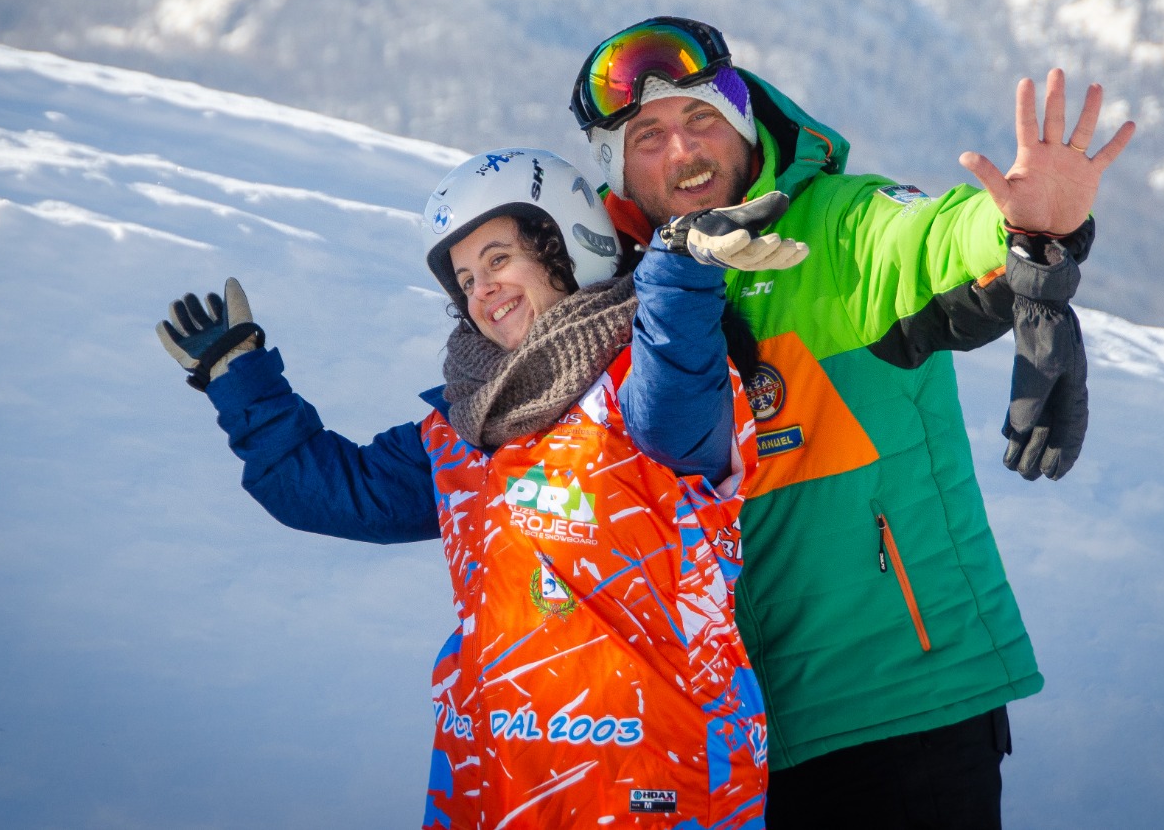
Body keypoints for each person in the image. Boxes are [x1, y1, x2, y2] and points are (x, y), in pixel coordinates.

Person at [569, 17, 1135, 828]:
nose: (684, 150)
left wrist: (1023, 228)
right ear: (616, 169)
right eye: (648, 136)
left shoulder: (835, 225)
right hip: (725, 744)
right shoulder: (626, 290)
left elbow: (925, 238)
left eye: (701, 118)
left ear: (742, 122)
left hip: (903, 710)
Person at [156, 148, 804, 829]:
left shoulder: (642, 391)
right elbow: (327, 489)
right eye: (465, 279)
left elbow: (676, 386)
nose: (482, 289)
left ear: (567, 247)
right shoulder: (465, 430)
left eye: (499, 260)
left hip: (654, 783)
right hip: (494, 786)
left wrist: (676, 272)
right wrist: (237, 375)